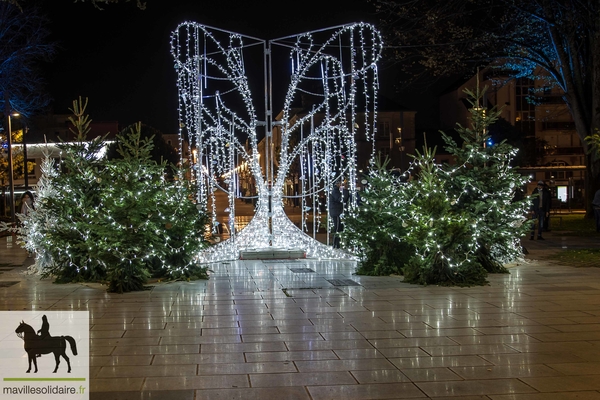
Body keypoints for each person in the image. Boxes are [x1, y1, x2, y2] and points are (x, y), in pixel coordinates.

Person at [329, 180, 348, 248]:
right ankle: (335, 244)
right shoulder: (335, 191)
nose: (342, 184)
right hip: (336, 212)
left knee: (339, 228)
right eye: (340, 183)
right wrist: (345, 190)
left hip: (337, 212)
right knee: (337, 228)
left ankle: (337, 244)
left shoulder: (337, 191)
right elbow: (341, 199)